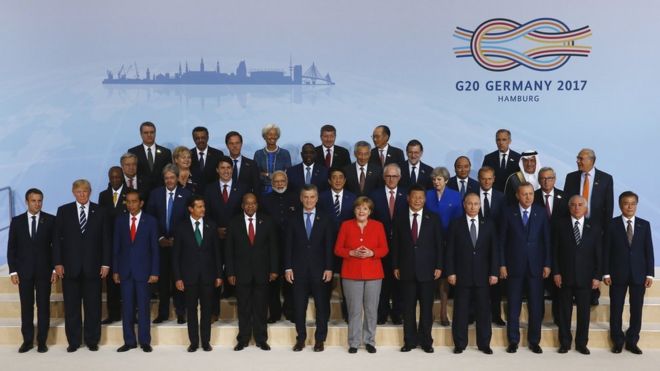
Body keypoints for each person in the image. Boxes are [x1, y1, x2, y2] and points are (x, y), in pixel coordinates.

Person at [53, 179, 110, 352]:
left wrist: (106, 263)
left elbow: (106, 239)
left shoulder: (100, 211)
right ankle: (74, 341)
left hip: (93, 267)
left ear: (90, 192)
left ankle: (92, 340)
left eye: (85, 191)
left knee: (93, 306)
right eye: (79, 192)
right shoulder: (63, 211)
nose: (82, 194)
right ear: (73, 192)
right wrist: (58, 263)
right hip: (70, 267)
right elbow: (57, 240)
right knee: (72, 307)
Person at [499, 182, 551, 354]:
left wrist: (547, 264)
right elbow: (502, 242)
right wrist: (502, 264)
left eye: (530, 194)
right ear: (517, 196)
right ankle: (513, 340)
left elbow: (547, 241)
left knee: (536, 306)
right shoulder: (507, 213)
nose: (528, 197)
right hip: (513, 267)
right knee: (513, 306)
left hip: (536, 267)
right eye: (524, 194)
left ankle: (534, 341)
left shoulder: (541, 212)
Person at [391, 185, 443, 353]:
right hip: (406, 269)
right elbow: (395, 245)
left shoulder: (433, 218)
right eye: (414, 197)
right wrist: (395, 265)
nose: (417, 200)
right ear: (408, 198)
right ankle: (410, 341)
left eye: (421, 197)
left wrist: (439, 266)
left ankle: (426, 341)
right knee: (408, 308)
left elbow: (439, 245)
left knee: (427, 308)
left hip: (428, 271)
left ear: (425, 199)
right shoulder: (399, 218)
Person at [334, 196, 389, 354]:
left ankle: (370, 341)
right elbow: (338, 249)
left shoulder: (378, 226)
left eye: (365, 208)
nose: (361, 211)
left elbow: (384, 249)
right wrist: (351, 252)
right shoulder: (346, 226)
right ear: (354, 210)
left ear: (370, 211)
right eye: (358, 208)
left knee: (371, 310)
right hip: (351, 273)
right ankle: (354, 342)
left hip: (374, 274)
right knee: (354, 310)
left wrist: (372, 252)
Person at [225, 193, 279, 351]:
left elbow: (273, 248)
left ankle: (261, 339)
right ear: (242, 205)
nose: (250, 206)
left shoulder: (267, 221)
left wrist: (274, 269)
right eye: (247, 203)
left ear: (257, 205)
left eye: (253, 203)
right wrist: (230, 272)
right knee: (244, 307)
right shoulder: (234, 222)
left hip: (263, 272)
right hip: (241, 273)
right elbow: (228, 250)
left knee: (261, 307)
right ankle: (243, 339)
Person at [446, 193, 498, 355]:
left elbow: (494, 251)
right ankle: (460, 343)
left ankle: (484, 344)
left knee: (483, 312)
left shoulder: (488, 224)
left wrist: (494, 272)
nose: (473, 207)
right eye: (470, 204)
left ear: (480, 206)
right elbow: (450, 251)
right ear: (464, 205)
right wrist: (451, 272)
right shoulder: (455, 224)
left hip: (483, 276)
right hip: (462, 275)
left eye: (476, 204)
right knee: (460, 311)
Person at [285, 185, 335, 352]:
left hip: (320, 270)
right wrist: (287, 268)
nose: (308, 200)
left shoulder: (326, 218)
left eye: (312, 197)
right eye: (305, 197)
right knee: (299, 306)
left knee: (322, 306)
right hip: (298, 271)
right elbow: (288, 246)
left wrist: (329, 268)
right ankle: (301, 339)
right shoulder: (292, 218)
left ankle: (320, 340)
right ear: (301, 198)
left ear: (317, 198)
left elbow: (329, 245)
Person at [603, 191, 655, 354]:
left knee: (636, 308)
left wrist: (649, 274)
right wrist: (606, 273)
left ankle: (632, 340)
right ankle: (617, 340)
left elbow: (649, 250)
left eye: (633, 203)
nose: (630, 206)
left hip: (639, 274)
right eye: (626, 203)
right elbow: (606, 251)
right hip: (617, 274)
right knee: (616, 308)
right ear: (620, 205)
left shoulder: (644, 224)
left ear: (637, 205)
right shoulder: (612, 224)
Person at [7, 188, 56, 353]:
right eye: (34, 201)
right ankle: (27, 341)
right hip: (24, 272)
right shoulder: (17, 221)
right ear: (27, 202)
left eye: (40, 200)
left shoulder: (50, 220)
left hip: (44, 272)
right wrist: (13, 271)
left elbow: (55, 247)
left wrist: (55, 270)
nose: (37, 204)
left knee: (43, 307)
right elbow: (11, 248)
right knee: (26, 307)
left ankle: (42, 341)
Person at [172, 196, 222, 352]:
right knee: (191, 310)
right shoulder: (181, 227)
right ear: (190, 209)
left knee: (207, 310)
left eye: (204, 206)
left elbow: (217, 253)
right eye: (199, 206)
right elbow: (176, 256)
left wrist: (219, 275)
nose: (203, 209)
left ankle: (205, 341)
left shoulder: (211, 226)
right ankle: (194, 342)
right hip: (189, 277)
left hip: (208, 276)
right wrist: (178, 277)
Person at [564, 148, 613, 307]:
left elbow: (608, 207)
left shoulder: (605, 179)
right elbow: (567, 203)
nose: (578, 161)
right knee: (576, 258)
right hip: (575, 224)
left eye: (581, 158)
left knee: (593, 258)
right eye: (578, 158)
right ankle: (574, 291)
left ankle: (593, 293)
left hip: (596, 227)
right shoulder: (571, 177)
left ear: (591, 160)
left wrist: (606, 230)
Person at [553, 195, 601, 355]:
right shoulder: (560, 225)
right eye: (573, 205)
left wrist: (597, 276)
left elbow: (598, 254)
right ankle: (565, 343)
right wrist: (557, 272)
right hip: (564, 276)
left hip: (586, 278)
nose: (576, 208)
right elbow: (555, 252)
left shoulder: (593, 226)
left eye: (580, 205)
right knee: (564, 312)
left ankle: (581, 343)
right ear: (569, 207)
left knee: (583, 313)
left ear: (585, 208)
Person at [113, 190, 160, 353]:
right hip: (125, 271)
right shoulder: (120, 221)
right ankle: (129, 341)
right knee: (127, 307)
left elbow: (155, 248)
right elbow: (116, 248)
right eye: (128, 202)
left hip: (144, 272)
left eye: (134, 201)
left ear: (141, 203)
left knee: (143, 307)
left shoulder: (151, 221)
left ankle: (145, 341)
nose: (131, 204)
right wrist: (116, 270)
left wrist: (155, 271)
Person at [147, 164, 192, 324]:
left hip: (179, 245)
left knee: (178, 278)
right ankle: (163, 312)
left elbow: (188, 221)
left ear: (177, 178)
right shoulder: (155, 194)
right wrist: (160, 238)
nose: (169, 180)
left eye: (172, 177)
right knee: (163, 281)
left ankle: (181, 312)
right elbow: (150, 220)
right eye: (166, 178)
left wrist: (177, 239)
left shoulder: (186, 195)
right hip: (161, 245)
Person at [369, 163, 407, 325]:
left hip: (401, 246)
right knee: (382, 282)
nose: (391, 179)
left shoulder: (406, 195)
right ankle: (382, 312)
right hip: (380, 246)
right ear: (384, 177)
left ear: (399, 177)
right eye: (388, 176)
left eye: (394, 176)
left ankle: (398, 312)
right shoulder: (374, 195)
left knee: (399, 282)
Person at [425, 166, 462, 326]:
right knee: (431, 277)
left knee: (445, 278)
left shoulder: (455, 196)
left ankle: (443, 313)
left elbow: (458, 219)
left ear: (446, 180)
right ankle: (431, 312)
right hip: (429, 242)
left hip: (448, 242)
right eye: (433, 179)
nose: (436, 182)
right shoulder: (427, 195)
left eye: (439, 179)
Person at [318, 167, 357, 322]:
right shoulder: (321, 198)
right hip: (325, 247)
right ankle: (324, 316)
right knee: (325, 284)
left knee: (348, 284)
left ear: (345, 180)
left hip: (347, 248)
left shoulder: (353, 198)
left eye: (341, 177)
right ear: (329, 180)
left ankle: (348, 315)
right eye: (334, 177)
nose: (338, 180)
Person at [261, 170, 299, 323]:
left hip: (293, 246)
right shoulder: (264, 200)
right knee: (273, 282)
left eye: (282, 181)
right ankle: (274, 313)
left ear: (287, 182)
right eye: (276, 181)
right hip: (271, 247)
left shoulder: (296, 198)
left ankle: (290, 311)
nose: (279, 183)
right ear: (271, 183)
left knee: (291, 281)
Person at [534, 166, 567, 325]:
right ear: (539, 180)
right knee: (538, 286)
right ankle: (538, 317)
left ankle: (558, 318)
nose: (546, 181)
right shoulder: (531, 196)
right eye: (543, 178)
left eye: (549, 178)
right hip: (538, 249)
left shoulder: (565, 197)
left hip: (561, 249)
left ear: (554, 179)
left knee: (559, 286)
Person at [477, 166, 507, 326]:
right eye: (483, 178)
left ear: (494, 179)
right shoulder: (472, 196)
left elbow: (504, 223)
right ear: (479, 179)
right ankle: (473, 314)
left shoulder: (501, 197)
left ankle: (496, 314)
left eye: (489, 178)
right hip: (475, 245)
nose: (487, 181)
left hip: (495, 246)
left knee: (495, 284)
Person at [97, 166, 127, 325]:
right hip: (109, 243)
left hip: (128, 242)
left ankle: (130, 314)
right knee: (111, 283)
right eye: (112, 177)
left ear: (122, 177)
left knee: (128, 280)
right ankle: (113, 314)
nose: (115, 180)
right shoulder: (103, 195)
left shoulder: (130, 193)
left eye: (118, 177)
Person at [127, 121, 172, 191]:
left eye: (152, 132)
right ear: (141, 134)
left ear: (155, 133)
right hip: (140, 193)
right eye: (146, 133)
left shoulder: (166, 152)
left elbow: (170, 173)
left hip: (161, 192)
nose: (149, 135)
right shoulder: (133, 152)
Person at [253, 123, 292, 194]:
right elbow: (256, 174)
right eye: (269, 134)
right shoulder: (258, 154)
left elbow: (288, 174)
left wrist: (266, 174)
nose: (272, 137)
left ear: (278, 136)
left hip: (281, 191)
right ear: (264, 136)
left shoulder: (285, 153)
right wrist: (269, 176)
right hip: (263, 192)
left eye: (275, 134)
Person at [189, 126, 224, 194]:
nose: (200, 140)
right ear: (193, 139)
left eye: (203, 138)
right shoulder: (189, 155)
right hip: (194, 195)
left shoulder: (218, 154)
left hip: (214, 194)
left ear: (207, 137)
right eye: (197, 138)